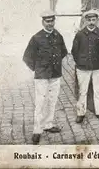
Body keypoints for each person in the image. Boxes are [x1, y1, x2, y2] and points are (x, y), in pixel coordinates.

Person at [23, 10, 68, 145]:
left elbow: (63, 52)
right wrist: (38, 69)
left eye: (52, 21)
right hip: (42, 76)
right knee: (40, 102)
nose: (50, 23)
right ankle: (37, 130)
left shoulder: (58, 36)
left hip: (55, 74)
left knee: (52, 100)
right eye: (47, 21)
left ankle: (48, 124)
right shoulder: (36, 38)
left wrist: (55, 65)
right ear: (43, 22)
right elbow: (27, 57)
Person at [71, 9, 99, 123]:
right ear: (85, 20)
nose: (91, 22)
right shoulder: (80, 34)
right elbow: (74, 51)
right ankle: (81, 113)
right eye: (89, 20)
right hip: (83, 67)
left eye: (93, 20)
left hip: (98, 67)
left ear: (97, 20)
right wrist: (80, 62)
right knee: (83, 91)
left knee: (98, 90)